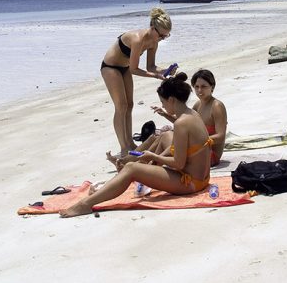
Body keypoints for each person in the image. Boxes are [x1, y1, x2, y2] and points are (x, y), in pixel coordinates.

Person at [61, 72, 213, 218]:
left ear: (172, 100)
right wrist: (153, 159)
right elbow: (182, 149)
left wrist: (153, 156)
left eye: (163, 102)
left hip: (191, 183)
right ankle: (143, 173)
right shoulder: (192, 114)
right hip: (202, 177)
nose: (163, 106)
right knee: (165, 135)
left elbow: (179, 163)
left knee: (131, 168)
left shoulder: (181, 123)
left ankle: (86, 204)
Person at [100, 7, 175, 158]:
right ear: (152, 28)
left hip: (125, 67)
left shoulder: (154, 42)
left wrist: (165, 70)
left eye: (166, 36)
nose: (162, 38)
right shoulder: (137, 39)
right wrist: (156, 76)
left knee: (130, 105)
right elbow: (134, 69)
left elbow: (151, 67)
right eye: (161, 35)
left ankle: (130, 143)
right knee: (121, 106)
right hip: (110, 67)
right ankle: (123, 147)